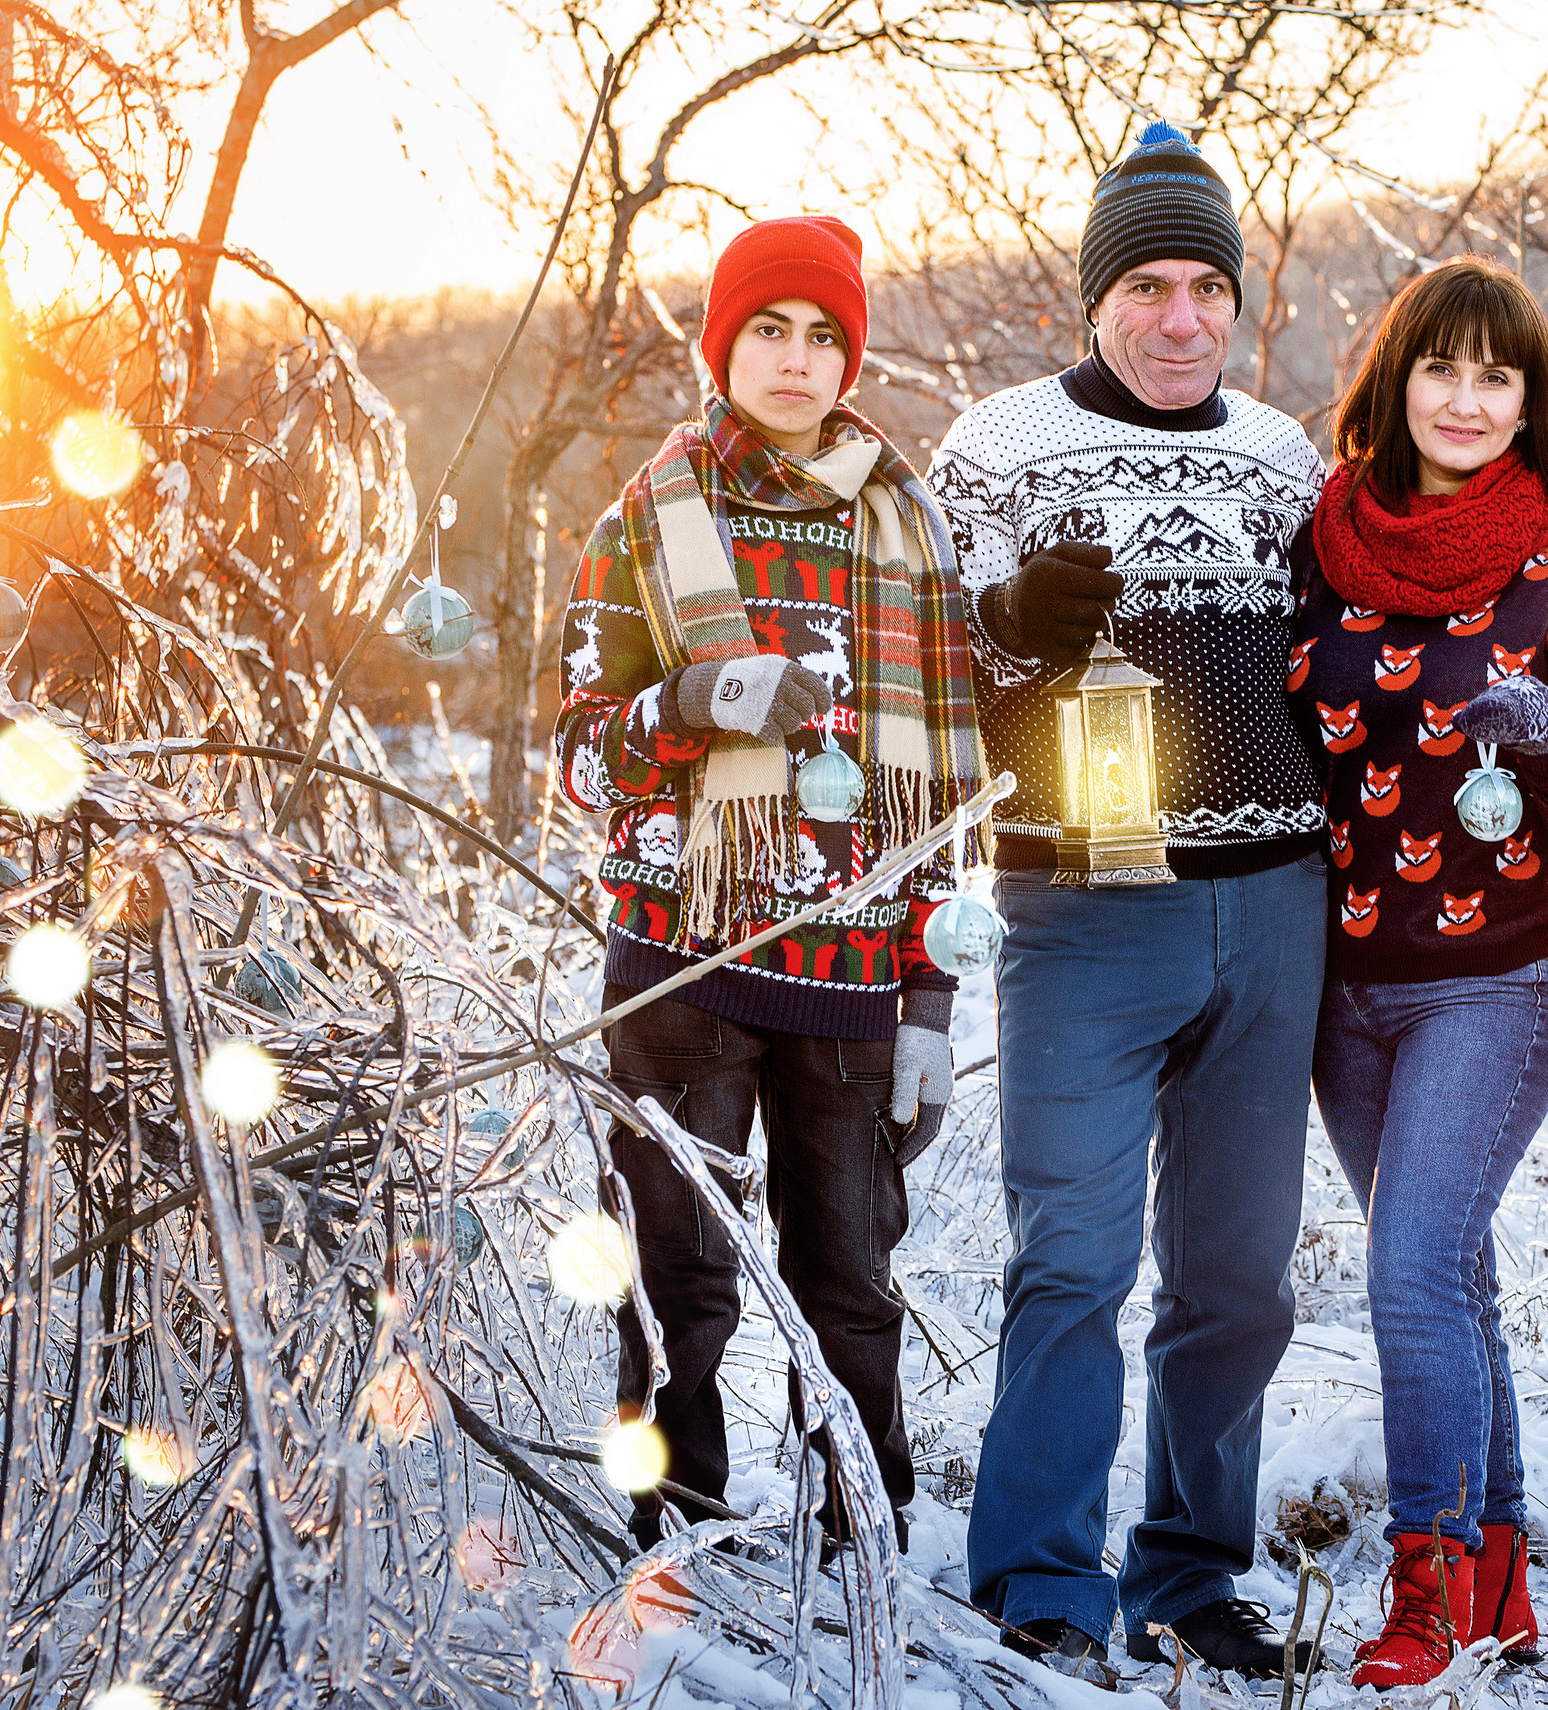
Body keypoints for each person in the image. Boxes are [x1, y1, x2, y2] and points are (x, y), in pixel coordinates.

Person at [928, 122, 1327, 1686]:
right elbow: (919, 681)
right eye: (1149, 286)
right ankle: (1040, 1576)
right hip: (1083, 910)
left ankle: (1189, 1572)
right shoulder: (995, 448)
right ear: (1095, 300)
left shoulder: (1285, 457)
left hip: (1274, 907)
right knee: (1073, 1259)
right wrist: (1005, 630)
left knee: (1236, 1275)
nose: (1180, 319)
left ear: (1237, 303)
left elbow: (1341, 673)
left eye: (1206, 288)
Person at [555, 214, 983, 1554]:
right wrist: (690, 700)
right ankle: (675, 1535)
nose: (796, 362)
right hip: (682, 963)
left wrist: (931, 991)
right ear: (721, 344)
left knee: (848, 1279)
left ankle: (862, 1539)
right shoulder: (647, 517)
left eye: (822, 336)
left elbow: (937, 797)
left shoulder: (906, 527)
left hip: (856, 973)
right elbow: (578, 757)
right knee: (677, 1273)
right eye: (768, 331)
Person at [1289, 255, 1548, 1688]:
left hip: (1498, 975)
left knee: (1412, 1265)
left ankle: (1421, 1588)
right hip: (1339, 982)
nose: (1469, 398)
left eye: (1500, 376)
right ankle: (1502, 1576)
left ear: (1531, 401)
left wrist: (1547, 739)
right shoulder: (1317, 544)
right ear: (1396, 379)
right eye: (1444, 368)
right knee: (1455, 1279)